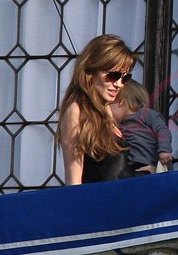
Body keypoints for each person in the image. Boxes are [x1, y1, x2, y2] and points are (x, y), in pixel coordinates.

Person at [57, 35, 136, 184]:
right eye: (113, 75)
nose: (119, 84)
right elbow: (74, 180)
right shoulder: (76, 111)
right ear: (91, 72)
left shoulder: (106, 111)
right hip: (98, 197)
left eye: (125, 78)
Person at [110, 79, 173, 175]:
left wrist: (164, 150)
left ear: (120, 102)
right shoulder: (119, 126)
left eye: (109, 104)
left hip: (153, 164)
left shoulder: (145, 114)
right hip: (133, 168)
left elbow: (162, 130)